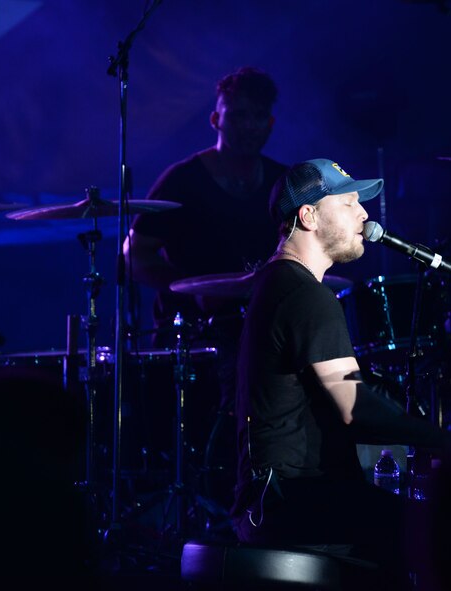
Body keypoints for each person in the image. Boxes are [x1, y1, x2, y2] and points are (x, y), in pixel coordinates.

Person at [231, 158, 451, 589]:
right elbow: (356, 408)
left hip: (274, 501)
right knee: (444, 534)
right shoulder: (305, 295)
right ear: (308, 215)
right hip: (297, 504)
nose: (365, 215)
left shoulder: (278, 285)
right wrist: (445, 439)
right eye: (350, 202)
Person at [123, 66, 288, 516]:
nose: (248, 126)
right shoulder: (183, 179)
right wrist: (189, 290)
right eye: (236, 116)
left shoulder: (284, 182)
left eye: (258, 117)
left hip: (262, 330)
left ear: (270, 124)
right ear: (215, 120)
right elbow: (135, 255)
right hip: (192, 334)